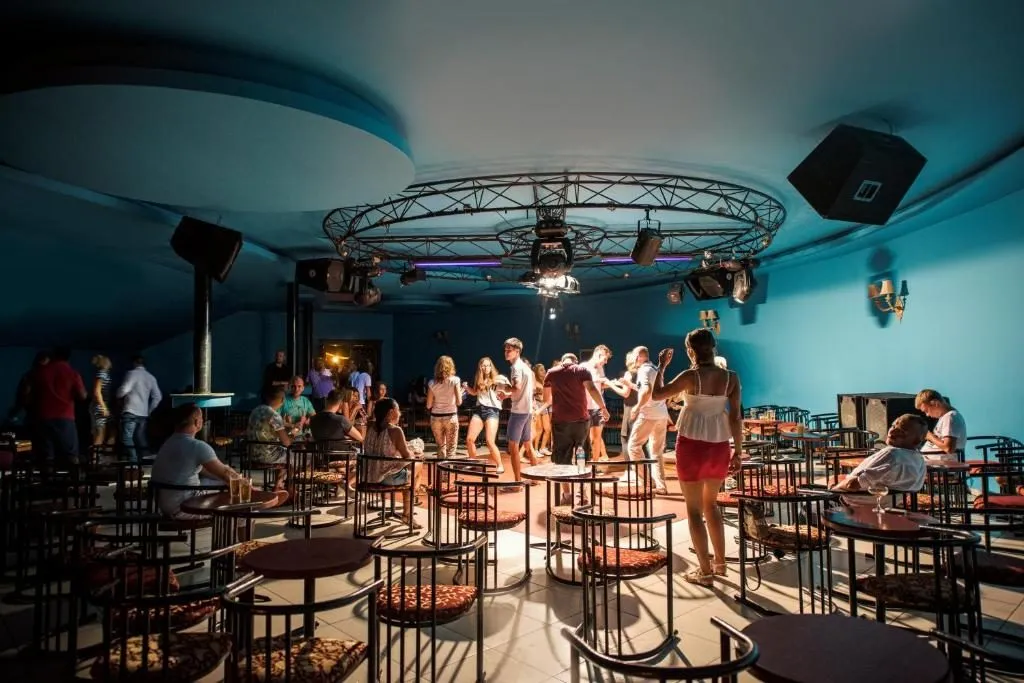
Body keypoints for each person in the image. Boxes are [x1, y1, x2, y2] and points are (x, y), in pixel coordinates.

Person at [652, 329, 742, 587]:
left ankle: (705, 571)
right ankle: (720, 563)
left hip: (691, 445)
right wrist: (738, 450)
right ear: (713, 346)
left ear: (690, 350)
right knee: (711, 506)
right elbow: (735, 416)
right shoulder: (731, 378)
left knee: (693, 510)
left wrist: (661, 367)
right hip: (719, 445)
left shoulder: (690, 376)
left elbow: (657, 395)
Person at [541, 353, 609, 504]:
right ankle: (582, 493)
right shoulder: (581, 370)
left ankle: (567, 494)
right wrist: (603, 408)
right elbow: (592, 389)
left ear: (562, 361)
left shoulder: (551, 373)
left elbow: (546, 399)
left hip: (560, 422)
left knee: (562, 460)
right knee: (582, 456)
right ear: (575, 361)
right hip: (580, 421)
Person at [151, 403, 239, 519]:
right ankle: (240, 527)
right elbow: (226, 474)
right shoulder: (197, 446)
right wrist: (246, 485)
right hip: (186, 507)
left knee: (219, 482)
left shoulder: (168, 443)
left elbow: (208, 471)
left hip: (165, 506)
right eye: (202, 418)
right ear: (197, 422)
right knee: (240, 508)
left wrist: (223, 476)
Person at [362, 398, 423, 528]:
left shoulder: (370, 426)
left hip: (369, 475)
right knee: (418, 465)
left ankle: (411, 494)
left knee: (409, 473)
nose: (400, 413)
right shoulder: (395, 430)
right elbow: (407, 456)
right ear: (391, 412)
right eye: (398, 410)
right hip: (386, 478)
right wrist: (415, 453)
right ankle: (408, 513)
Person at [832, 414, 928, 495]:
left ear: (916, 441)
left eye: (902, 431)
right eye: (893, 426)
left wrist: (833, 491)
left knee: (833, 482)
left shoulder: (893, 455)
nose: (892, 431)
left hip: (857, 502)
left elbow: (852, 485)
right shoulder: (919, 459)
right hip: (893, 503)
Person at [31, 346, 86, 468]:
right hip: (65, 417)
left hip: (43, 416)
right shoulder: (72, 373)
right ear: (69, 357)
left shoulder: (41, 372)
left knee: (46, 456)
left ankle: (47, 477)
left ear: (53, 356)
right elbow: (82, 396)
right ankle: (72, 478)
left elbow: (31, 393)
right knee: (71, 454)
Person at [627, 346, 671, 495]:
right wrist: (631, 385)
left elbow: (646, 391)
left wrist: (637, 407)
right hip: (661, 414)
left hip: (648, 414)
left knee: (633, 446)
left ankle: (646, 481)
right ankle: (661, 486)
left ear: (638, 357)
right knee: (656, 451)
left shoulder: (643, 370)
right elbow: (649, 389)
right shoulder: (654, 368)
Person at [503, 337, 539, 482]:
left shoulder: (516, 367)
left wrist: (504, 389)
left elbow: (516, 387)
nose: (506, 352)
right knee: (528, 445)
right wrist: (508, 394)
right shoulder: (527, 368)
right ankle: (535, 478)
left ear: (517, 351)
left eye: (509, 350)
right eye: (505, 350)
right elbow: (531, 388)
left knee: (513, 447)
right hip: (527, 410)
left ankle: (517, 481)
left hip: (518, 412)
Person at [117, 355, 162, 463]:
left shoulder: (131, 374)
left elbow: (124, 389)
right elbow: (158, 397)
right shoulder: (151, 377)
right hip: (143, 413)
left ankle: (133, 460)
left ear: (134, 363)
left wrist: (117, 395)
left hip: (130, 410)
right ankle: (145, 459)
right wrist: (149, 410)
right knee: (140, 437)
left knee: (127, 437)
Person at [247, 386, 292, 490]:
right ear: (282, 400)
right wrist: (293, 433)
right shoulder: (274, 415)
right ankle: (282, 487)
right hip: (267, 456)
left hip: (251, 454)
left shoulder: (255, 411)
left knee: (282, 452)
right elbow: (286, 442)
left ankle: (278, 484)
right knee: (295, 457)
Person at [463, 357, 504, 473]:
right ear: (480, 367)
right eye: (483, 365)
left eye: (488, 365)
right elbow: (475, 392)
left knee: (490, 441)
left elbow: (506, 391)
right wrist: (466, 388)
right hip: (479, 410)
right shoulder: (479, 379)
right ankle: (473, 462)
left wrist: (505, 394)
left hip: (492, 411)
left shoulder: (497, 379)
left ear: (491, 367)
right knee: (470, 439)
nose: (486, 367)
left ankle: (500, 465)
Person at [915, 389, 967, 462]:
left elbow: (949, 448)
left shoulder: (950, 417)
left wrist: (930, 436)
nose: (927, 415)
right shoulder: (946, 417)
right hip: (930, 460)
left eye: (926, 411)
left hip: (940, 463)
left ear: (935, 403)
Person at [581, 345, 613, 461]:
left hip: (598, 407)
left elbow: (600, 386)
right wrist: (598, 380)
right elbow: (585, 385)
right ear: (598, 354)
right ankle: (583, 463)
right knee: (583, 439)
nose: (605, 362)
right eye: (605, 359)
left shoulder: (600, 369)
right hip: (585, 407)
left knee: (597, 438)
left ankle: (595, 464)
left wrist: (611, 384)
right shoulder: (583, 367)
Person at [427, 355, 462, 459]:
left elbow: (428, 405)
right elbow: (459, 402)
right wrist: (461, 393)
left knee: (441, 447)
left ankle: (440, 469)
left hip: (435, 418)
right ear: (451, 366)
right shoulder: (455, 380)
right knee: (451, 450)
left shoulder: (432, 383)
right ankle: (449, 469)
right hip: (450, 417)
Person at [90, 355, 113, 447]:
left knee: (106, 432)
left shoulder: (104, 374)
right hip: (100, 406)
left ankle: (100, 453)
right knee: (100, 433)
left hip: (101, 405)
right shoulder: (102, 373)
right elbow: (97, 391)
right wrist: (103, 407)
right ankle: (96, 454)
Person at [531, 363, 552, 456]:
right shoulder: (534, 382)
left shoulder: (545, 381)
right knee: (539, 429)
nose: (544, 371)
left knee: (548, 429)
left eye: (544, 369)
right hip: (537, 405)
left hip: (544, 405)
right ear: (536, 372)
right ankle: (535, 449)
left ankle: (542, 448)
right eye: (541, 370)